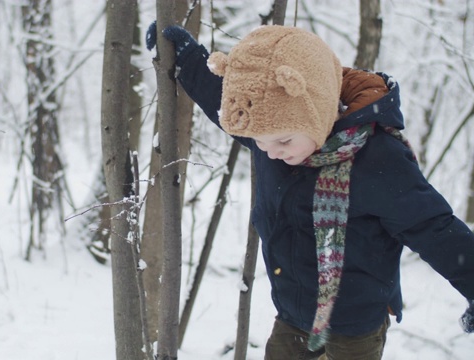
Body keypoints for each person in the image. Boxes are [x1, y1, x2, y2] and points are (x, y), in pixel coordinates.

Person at [146, 23, 474, 359]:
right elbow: (223, 97)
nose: (270, 152)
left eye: (282, 141)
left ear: (316, 114)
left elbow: (434, 227)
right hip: (292, 315)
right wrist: (187, 59)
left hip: (354, 327)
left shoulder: (377, 158)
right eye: (259, 141)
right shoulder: (276, 136)